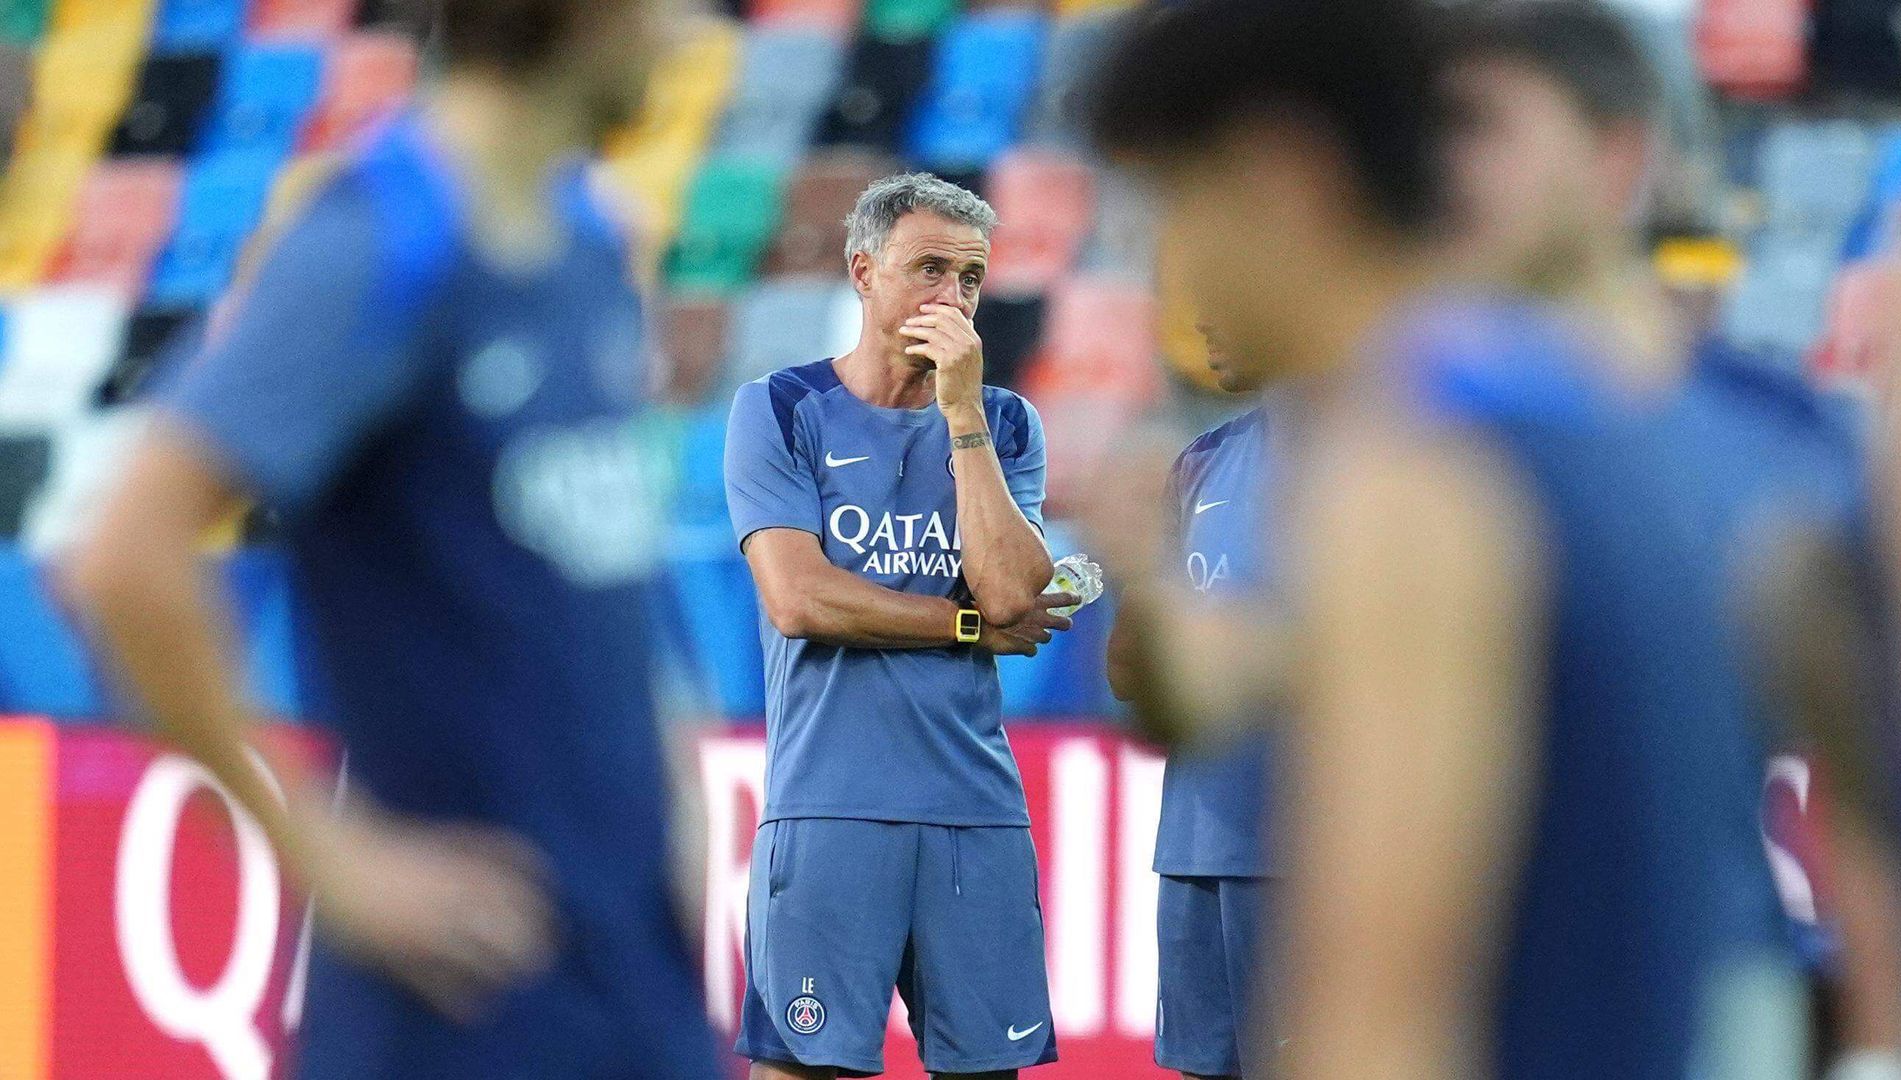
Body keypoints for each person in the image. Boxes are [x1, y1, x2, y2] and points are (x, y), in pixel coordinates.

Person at [1085, 1, 1819, 1076]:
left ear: (1278, 177)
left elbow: (1392, 989)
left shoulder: (1413, 467)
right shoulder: (1575, 415)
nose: (1163, 260)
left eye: (1174, 203)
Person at [60, 1, 721, 1076]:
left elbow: (606, 566)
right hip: (463, 1004)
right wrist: (328, 857)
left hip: (638, 983)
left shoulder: (593, 239)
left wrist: (678, 781)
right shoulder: (378, 244)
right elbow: (124, 559)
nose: (692, 34)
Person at [1446, 4, 1890, 1073]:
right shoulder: (1410, 447)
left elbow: (1869, 769)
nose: (1446, 171)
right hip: (1468, 1009)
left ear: (1617, 153)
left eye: (1483, 129)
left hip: (1718, 1001)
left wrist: (1882, 1043)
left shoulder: (1776, 440)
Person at [723, 173, 1070, 1080]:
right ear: (863, 272)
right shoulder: (779, 408)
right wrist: (961, 627)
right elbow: (800, 599)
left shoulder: (1003, 422)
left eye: (969, 276)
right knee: (804, 1069)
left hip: (976, 812)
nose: (950, 297)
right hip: (831, 804)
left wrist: (962, 416)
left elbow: (1010, 593)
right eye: (927, 270)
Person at [1106, 324, 1278, 1080]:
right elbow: (1134, 680)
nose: (1206, 319)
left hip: (1300, 848)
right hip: (1196, 843)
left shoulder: (1378, 458)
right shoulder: (1199, 461)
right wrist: (1134, 574)